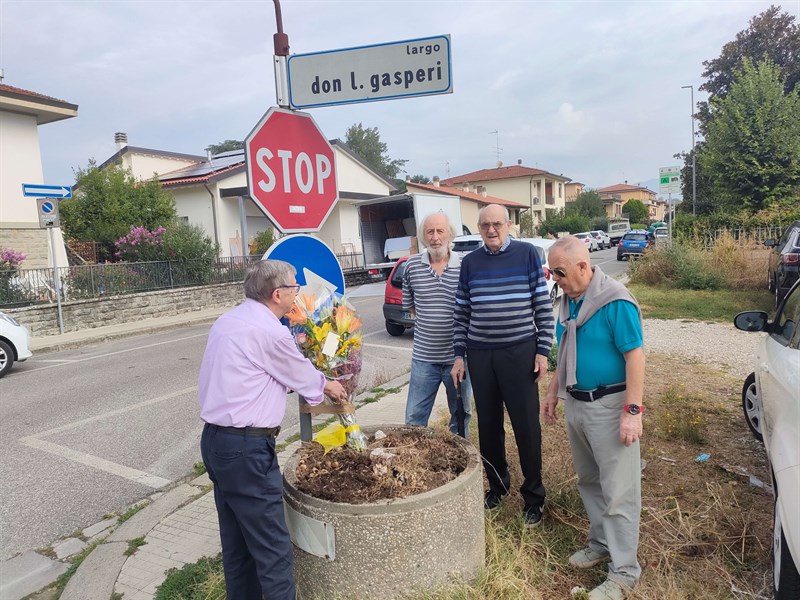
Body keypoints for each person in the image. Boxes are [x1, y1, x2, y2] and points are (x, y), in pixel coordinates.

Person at [198, 260, 347, 600]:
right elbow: (303, 377)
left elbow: (252, 373)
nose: (297, 293)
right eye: (294, 287)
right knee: (273, 549)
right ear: (277, 293)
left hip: (216, 442)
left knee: (237, 545)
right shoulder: (269, 331)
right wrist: (329, 385)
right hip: (246, 450)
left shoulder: (228, 320)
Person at [542, 236, 644, 600]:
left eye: (561, 272)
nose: (556, 279)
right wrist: (553, 392)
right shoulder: (570, 301)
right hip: (577, 403)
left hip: (610, 405)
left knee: (619, 491)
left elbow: (635, 356)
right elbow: (565, 347)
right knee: (590, 481)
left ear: (584, 267)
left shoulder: (615, 300)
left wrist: (632, 411)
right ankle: (600, 543)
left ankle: (624, 573)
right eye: (552, 272)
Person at [451, 204, 555, 527]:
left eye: (497, 224)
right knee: (489, 426)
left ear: (509, 225)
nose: (491, 230)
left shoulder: (527, 255)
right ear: (479, 229)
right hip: (481, 354)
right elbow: (461, 312)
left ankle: (534, 497)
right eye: (485, 225)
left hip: (520, 352)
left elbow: (543, 305)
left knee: (526, 426)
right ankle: (497, 485)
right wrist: (459, 355)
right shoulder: (470, 263)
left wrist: (542, 351)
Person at [403, 211, 473, 437]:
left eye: (440, 231)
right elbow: (411, 307)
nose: (435, 237)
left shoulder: (465, 265)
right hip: (424, 359)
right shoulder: (411, 266)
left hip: (458, 360)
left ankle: (462, 465)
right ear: (423, 236)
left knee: (461, 417)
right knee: (414, 418)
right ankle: (412, 463)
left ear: (450, 234)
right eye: (429, 231)